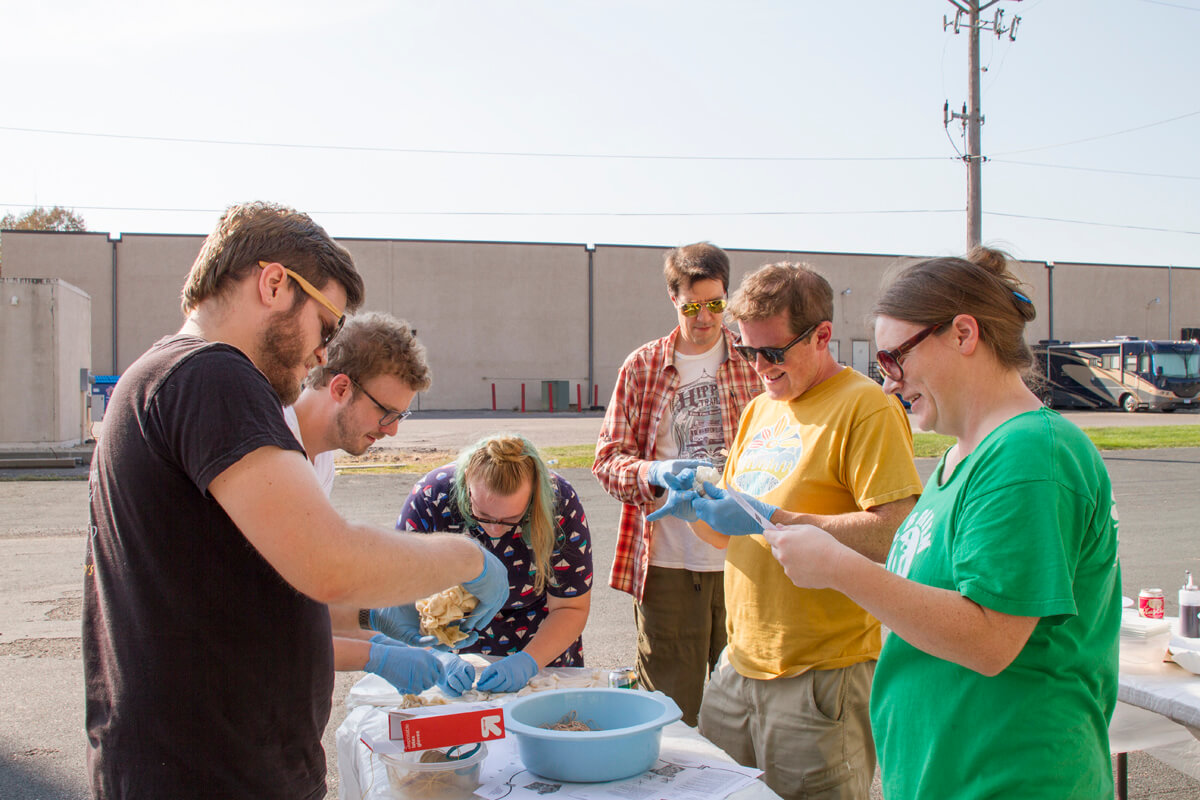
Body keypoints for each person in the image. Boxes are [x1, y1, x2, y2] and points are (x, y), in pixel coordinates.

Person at [83, 202, 509, 800]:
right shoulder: (213, 374)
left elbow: (263, 583)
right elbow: (327, 561)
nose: (323, 351)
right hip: (208, 772)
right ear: (275, 283)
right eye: (327, 325)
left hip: (198, 763)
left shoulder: (164, 375)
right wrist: (467, 558)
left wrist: (374, 621)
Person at [761, 248, 1121, 798]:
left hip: (1013, 780)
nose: (889, 384)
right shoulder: (965, 456)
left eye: (894, 359)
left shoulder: (1028, 455)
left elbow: (989, 639)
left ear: (963, 334)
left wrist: (838, 568)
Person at [650, 261, 922, 800]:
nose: (760, 367)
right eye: (749, 352)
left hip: (821, 676)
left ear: (822, 335)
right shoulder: (759, 411)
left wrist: (775, 518)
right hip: (739, 666)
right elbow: (730, 538)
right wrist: (699, 512)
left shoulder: (866, 407)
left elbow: (896, 532)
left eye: (774, 352)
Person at [592, 242, 761, 726]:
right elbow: (607, 461)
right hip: (667, 565)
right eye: (692, 306)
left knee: (748, 707)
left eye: (715, 304)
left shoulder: (754, 363)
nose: (705, 317)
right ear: (673, 299)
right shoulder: (642, 366)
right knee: (670, 710)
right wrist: (654, 473)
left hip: (745, 559)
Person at [281, 311, 475, 697]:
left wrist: (371, 626)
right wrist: (372, 654)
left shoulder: (320, 463)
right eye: (386, 412)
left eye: (400, 415)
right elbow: (265, 617)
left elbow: (299, 600)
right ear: (339, 388)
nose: (392, 429)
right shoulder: (274, 452)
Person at [398, 433, 593, 694]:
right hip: (449, 641)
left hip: (541, 644)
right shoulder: (432, 496)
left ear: (535, 493)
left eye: (511, 518)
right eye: (482, 515)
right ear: (467, 479)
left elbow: (571, 606)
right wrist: (436, 657)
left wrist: (528, 662)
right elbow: (398, 596)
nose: (493, 530)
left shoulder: (560, 502)